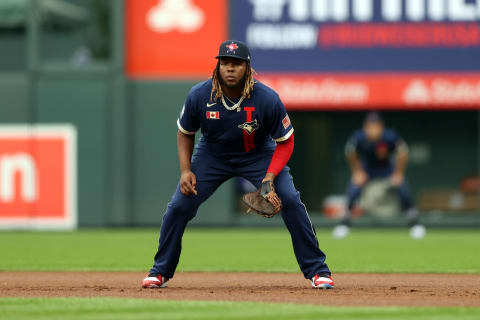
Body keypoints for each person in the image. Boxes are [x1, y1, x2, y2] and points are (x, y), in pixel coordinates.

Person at [142, 40, 333, 289]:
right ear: (218, 67)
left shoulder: (266, 98)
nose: (230, 68)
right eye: (225, 63)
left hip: (257, 155)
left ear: (248, 68)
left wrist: (270, 177)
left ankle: (318, 271)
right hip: (213, 156)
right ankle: (160, 271)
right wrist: (186, 170)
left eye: (236, 64)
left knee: (290, 199)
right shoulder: (200, 95)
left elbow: (286, 141)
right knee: (179, 206)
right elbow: (185, 131)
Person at [332, 112, 426, 239]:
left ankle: (414, 223)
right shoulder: (359, 137)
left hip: (387, 168)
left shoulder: (390, 136)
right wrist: (357, 172)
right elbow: (350, 152)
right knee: (354, 189)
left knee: (402, 187)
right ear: (365, 127)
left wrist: (398, 173)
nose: (373, 129)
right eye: (370, 126)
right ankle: (344, 224)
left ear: (381, 127)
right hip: (368, 168)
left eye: (376, 126)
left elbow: (403, 152)